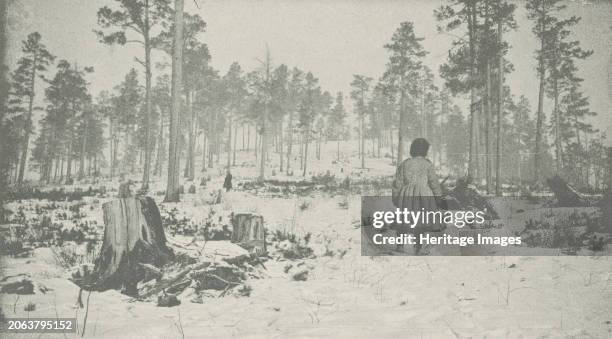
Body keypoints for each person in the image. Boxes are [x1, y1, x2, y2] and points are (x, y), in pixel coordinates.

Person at [392, 138, 443, 254]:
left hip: (407, 196)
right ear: (425, 151)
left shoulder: (405, 164)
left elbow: (398, 182)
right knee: (420, 223)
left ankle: (400, 245)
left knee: (403, 220)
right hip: (424, 197)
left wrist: (395, 196)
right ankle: (418, 247)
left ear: (412, 149)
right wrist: (438, 196)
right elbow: (433, 182)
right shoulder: (428, 164)